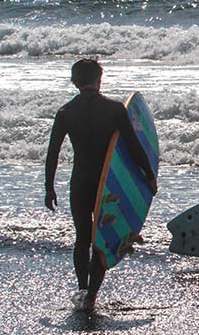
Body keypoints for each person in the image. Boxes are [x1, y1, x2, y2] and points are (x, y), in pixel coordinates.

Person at [44, 59, 158, 310]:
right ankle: (92, 296)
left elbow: (53, 151)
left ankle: (82, 290)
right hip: (110, 186)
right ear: (99, 79)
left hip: (80, 182)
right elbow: (133, 146)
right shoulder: (115, 109)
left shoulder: (65, 112)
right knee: (103, 239)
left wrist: (49, 187)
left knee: (82, 238)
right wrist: (149, 176)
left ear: (75, 82)